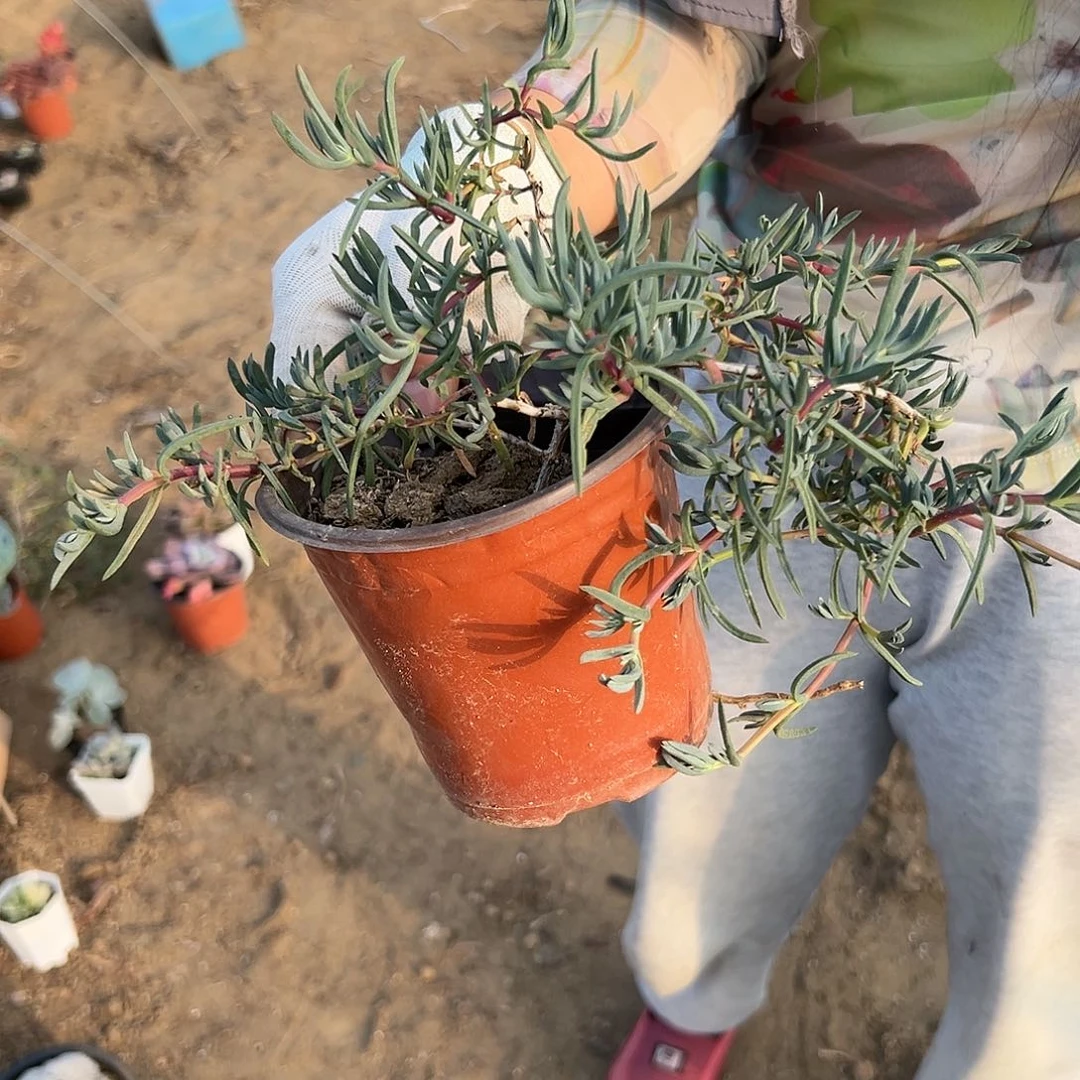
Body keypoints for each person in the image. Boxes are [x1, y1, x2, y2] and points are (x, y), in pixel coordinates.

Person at [270, 2, 1080, 1077]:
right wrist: (505, 186)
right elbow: (675, 28)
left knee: (1047, 892)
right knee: (708, 796)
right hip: (770, 363)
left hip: (1057, 464)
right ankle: (689, 1001)